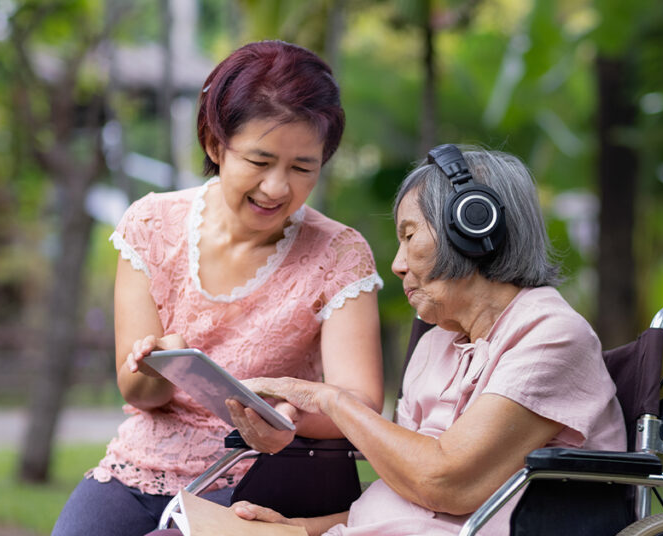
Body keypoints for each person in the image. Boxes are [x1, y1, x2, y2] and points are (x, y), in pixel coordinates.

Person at [150, 146, 626, 536]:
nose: (396, 264)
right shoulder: (439, 341)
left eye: (409, 235)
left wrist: (328, 398)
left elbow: (442, 485)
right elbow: (410, 502)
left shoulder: (550, 335)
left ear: (474, 226)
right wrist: (298, 530)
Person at [52, 40, 384, 536]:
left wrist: (291, 417)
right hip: (145, 462)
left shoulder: (340, 254)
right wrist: (161, 365)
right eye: (259, 160)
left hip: (271, 471)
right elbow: (138, 393)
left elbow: (360, 403)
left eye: (301, 168)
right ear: (215, 144)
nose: (276, 187)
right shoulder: (151, 224)